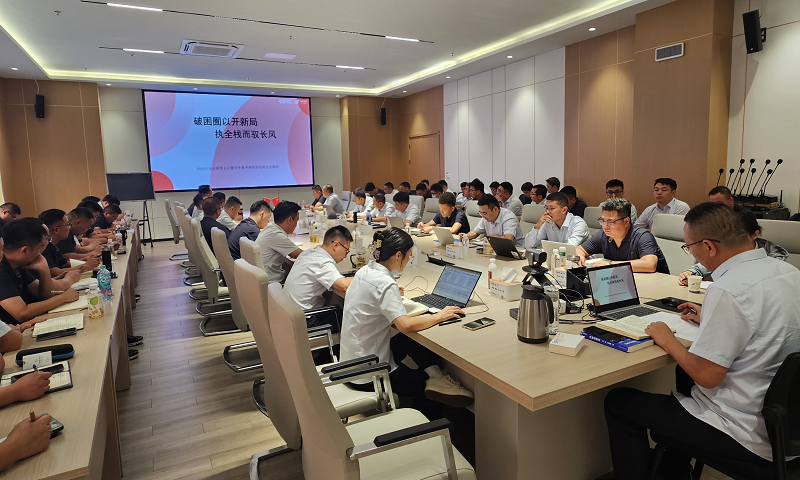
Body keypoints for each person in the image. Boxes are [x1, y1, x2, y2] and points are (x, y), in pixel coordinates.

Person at [603, 202, 800, 480]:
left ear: (708, 246)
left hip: (745, 431)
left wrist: (667, 338)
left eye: (689, 247)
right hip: (789, 424)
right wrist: (711, 316)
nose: (691, 253)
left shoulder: (728, 288)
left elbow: (708, 376)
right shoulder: (789, 272)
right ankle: (674, 471)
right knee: (682, 376)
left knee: (618, 401)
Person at [340, 228, 474, 420]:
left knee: (409, 341)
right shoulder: (385, 283)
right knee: (429, 386)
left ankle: (437, 375)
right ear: (398, 255)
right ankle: (422, 425)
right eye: (409, 255)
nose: (410, 259)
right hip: (370, 374)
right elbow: (406, 325)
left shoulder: (365, 271)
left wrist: (393, 294)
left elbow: (373, 295)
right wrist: (440, 315)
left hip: (351, 362)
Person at [0, 218, 81, 326]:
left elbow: (45, 294)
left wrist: (44, 270)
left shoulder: (19, 264)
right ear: (24, 250)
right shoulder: (2, 269)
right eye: (41, 246)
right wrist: (63, 298)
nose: (41, 253)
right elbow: (22, 313)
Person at [678, 211, 788, 284]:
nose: (735, 239)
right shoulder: (729, 250)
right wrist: (691, 272)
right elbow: (711, 264)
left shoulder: (774, 260)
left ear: (755, 234)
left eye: (741, 236)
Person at [284, 225, 353, 333]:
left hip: (287, 315)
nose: (345, 256)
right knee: (352, 318)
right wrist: (363, 276)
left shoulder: (308, 253)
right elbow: (343, 285)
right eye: (346, 251)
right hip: (304, 320)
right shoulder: (321, 262)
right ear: (336, 245)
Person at [577, 198, 669, 274]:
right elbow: (580, 249)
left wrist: (610, 265)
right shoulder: (603, 235)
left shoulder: (643, 236)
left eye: (610, 221)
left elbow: (649, 265)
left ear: (626, 221)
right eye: (603, 220)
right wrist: (580, 257)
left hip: (657, 284)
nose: (605, 225)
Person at [39, 209, 100, 276]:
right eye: (67, 225)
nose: (70, 228)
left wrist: (85, 259)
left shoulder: (53, 245)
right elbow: (56, 273)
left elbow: (64, 264)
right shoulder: (43, 248)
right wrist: (86, 266)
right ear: (56, 230)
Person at [255, 201, 303, 284]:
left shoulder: (270, 229)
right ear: (289, 219)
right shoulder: (276, 235)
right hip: (273, 284)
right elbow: (300, 254)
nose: (296, 225)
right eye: (296, 221)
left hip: (263, 280)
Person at [524, 192, 589, 249]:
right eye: (546, 208)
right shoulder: (548, 222)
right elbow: (529, 246)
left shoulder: (578, 223)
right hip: (557, 258)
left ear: (564, 210)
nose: (547, 212)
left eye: (552, 208)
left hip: (581, 259)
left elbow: (569, 249)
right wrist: (538, 225)